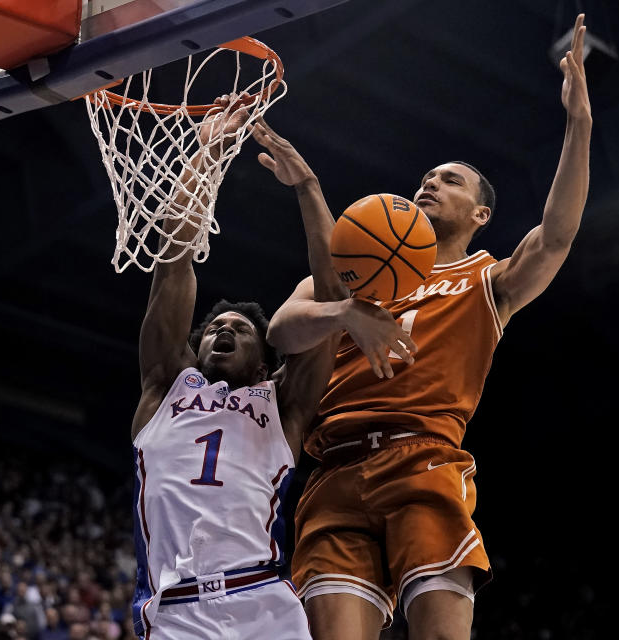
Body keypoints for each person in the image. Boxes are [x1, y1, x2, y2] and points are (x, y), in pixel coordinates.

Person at [265, 14, 593, 640]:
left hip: (423, 460)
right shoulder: (351, 275)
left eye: (451, 179)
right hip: (333, 467)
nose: (430, 183)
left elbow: (556, 236)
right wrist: (344, 314)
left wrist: (578, 124)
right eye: (427, 176)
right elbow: (282, 331)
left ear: (481, 212)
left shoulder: (487, 278)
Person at [128, 96, 357, 639]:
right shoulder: (165, 385)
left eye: (240, 328)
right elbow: (174, 257)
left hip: (263, 602)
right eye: (213, 328)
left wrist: (308, 187)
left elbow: (331, 298)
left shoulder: (282, 404)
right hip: (175, 609)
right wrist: (205, 154)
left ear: (264, 362)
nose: (223, 330)